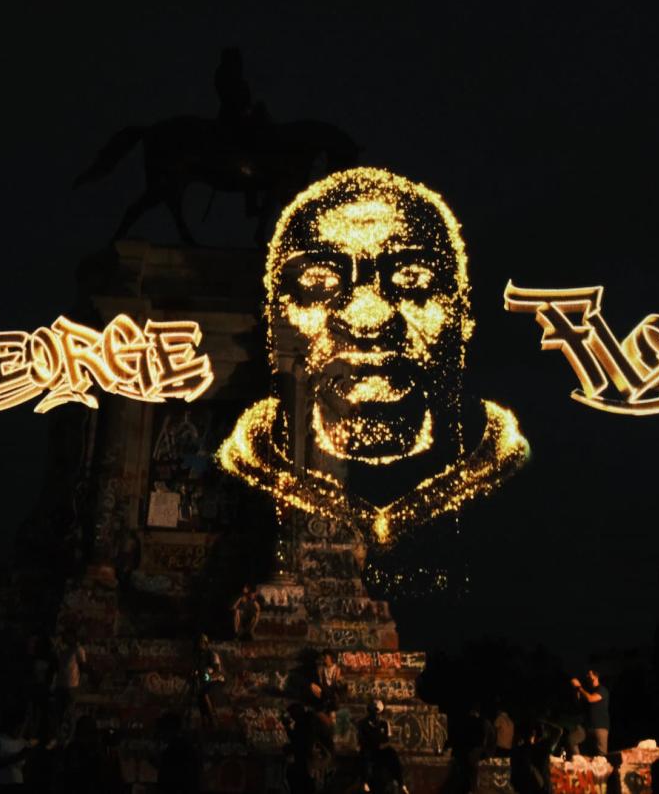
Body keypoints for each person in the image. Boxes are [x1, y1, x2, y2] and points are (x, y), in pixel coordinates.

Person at [217, 168, 530, 554]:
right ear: (274, 318)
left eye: (413, 278)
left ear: (464, 316)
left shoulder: (511, 487)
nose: (368, 317)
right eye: (319, 281)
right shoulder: (252, 466)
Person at [571, 669, 610, 756]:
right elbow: (578, 703)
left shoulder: (602, 689)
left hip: (600, 727)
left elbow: (591, 699)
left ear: (596, 676)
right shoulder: (588, 691)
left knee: (602, 756)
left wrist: (579, 687)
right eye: (587, 675)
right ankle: (578, 761)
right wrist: (576, 689)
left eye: (589, 674)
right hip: (588, 727)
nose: (587, 677)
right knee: (572, 740)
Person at [193, 634, 225, 729]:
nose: (199, 645)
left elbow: (217, 673)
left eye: (201, 643)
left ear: (205, 644)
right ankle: (205, 720)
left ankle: (212, 719)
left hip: (216, 681)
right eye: (198, 643)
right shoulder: (198, 657)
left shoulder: (212, 654)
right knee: (200, 695)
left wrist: (207, 677)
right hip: (205, 683)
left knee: (204, 693)